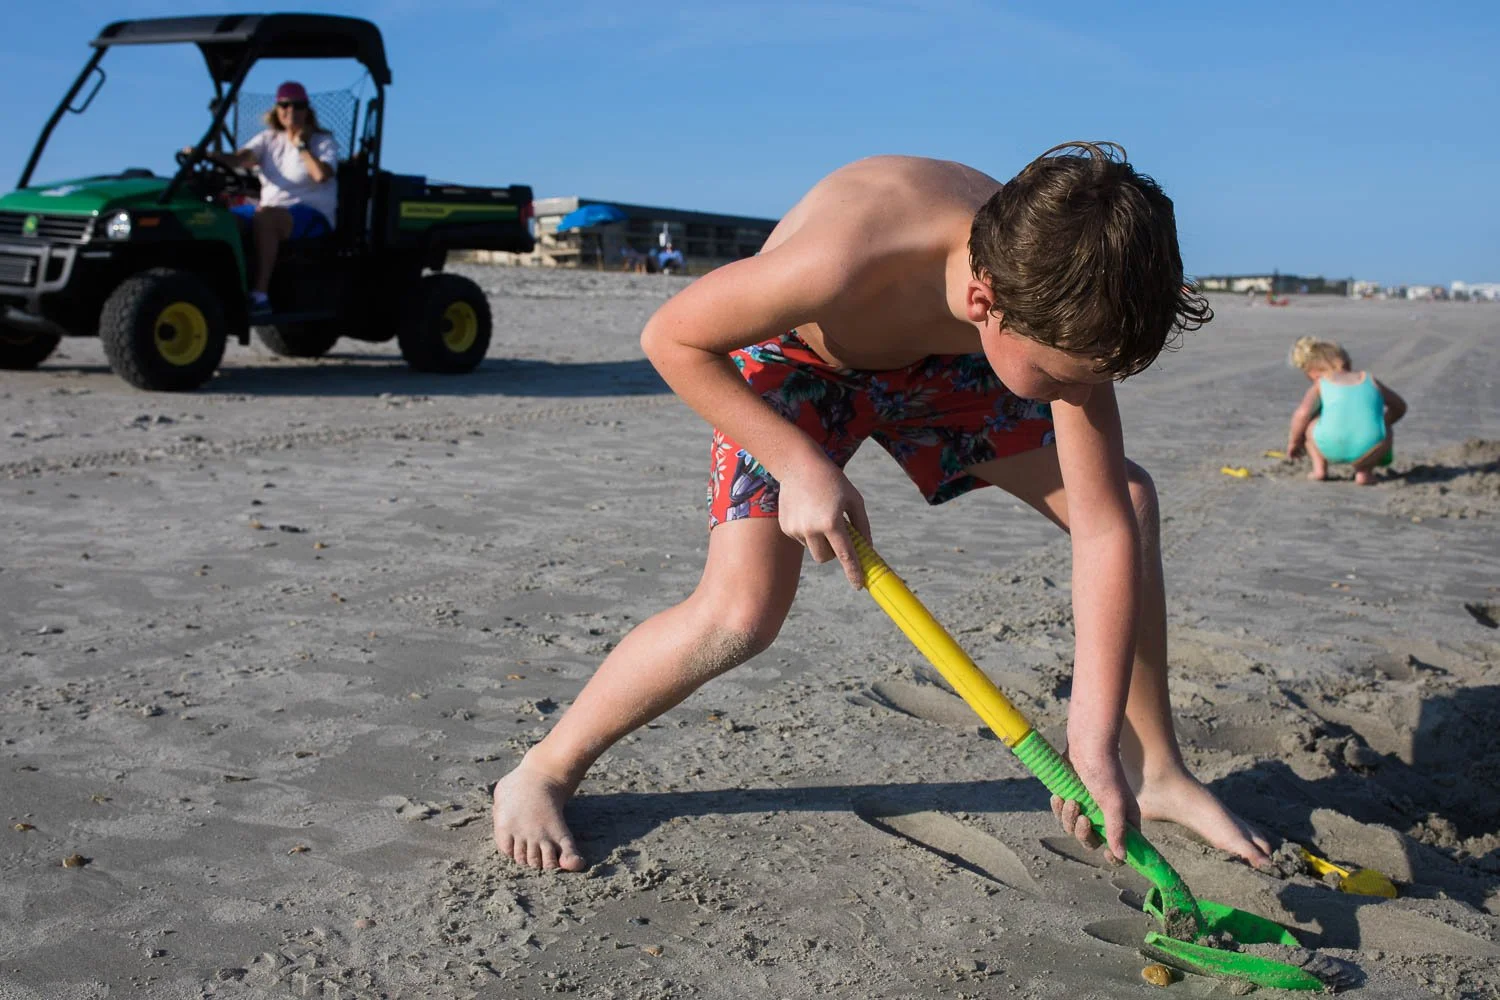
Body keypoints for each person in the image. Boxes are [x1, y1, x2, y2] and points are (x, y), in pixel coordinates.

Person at [492, 143, 1275, 874]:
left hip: (944, 366)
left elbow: (1103, 523)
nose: (1076, 395)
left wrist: (1092, 735)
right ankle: (544, 770)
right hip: (798, 359)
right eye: (1061, 379)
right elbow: (671, 338)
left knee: (1129, 501)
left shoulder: (1071, 294)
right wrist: (799, 466)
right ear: (983, 299)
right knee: (740, 614)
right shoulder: (847, 259)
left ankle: (1157, 770)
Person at [189, 82, 339, 321]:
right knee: (220, 219)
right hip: (270, 209)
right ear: (277, 109)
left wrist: (301, 145)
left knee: (265, 217)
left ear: (307, 110)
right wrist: (206, 155)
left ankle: (260, 296)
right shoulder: (268, 139)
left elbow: (321, 175)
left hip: (311, 212)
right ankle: (219, 288)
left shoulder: (322, 142)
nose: (291, 110)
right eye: (285, 105)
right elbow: (240, 159)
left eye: (298, 105)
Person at [1286, 337, 1407, 485]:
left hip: (1329, 445)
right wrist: (1385, 422)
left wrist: (1295, 442)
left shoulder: (1321, 383)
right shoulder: (1369, 379)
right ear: (1347, 362)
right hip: (1369, 448)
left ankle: (1319, 469)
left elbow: (1302, 414)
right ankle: (1364, 472)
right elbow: (1400, 406)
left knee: (1311, 424)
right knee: (1383, 428)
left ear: (1313, 372)